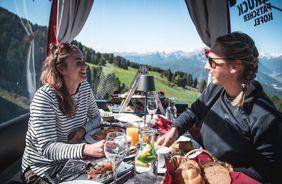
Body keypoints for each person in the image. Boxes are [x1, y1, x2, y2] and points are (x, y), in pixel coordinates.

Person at [156, 32, 282, 183]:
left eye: (212, 61)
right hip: (202, 166)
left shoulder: (266, 118)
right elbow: (193, 113)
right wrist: (174, 131)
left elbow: (265, 173)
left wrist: (215, 172)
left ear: (235, 66)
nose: (206, 66)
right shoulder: (216, 89)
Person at [22, 43, 105, 183]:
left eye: (84, 60)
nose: (85, 65)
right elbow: (48, 148)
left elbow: (96, 118)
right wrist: (85, 149)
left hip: (72, 161)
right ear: (61, 68)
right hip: (42, 170)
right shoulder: (44, 98)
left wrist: (83, 130)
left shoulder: (83, 87)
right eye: (78, 62)